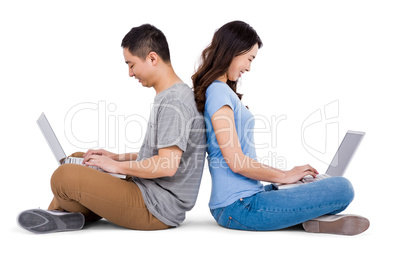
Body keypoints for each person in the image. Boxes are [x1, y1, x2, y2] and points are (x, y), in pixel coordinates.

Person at [18, 24, 206, 233]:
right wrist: (115, 157)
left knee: (63, 177)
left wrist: (117, 168)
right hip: (149, 191)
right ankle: (66, 215)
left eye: (131, 64)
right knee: (79, 157)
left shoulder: (175, 101)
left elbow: (167, 165)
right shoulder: (171, 95)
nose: (130, 73)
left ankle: (59, 212)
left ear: (153, 58)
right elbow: (161, 155)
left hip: (156, 207)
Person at [192, 20, 369, 235]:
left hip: (245, 198)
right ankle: (310, 216)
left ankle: (314, 220)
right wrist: (284, 177)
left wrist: (288, 175)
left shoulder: (221, 92)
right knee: (343, 188)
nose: (249, 67)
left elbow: (241, 159)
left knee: (318, 185)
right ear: (233, 50)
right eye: (249, 58)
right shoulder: (218, 92)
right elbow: (236, 161)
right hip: (239, 207)